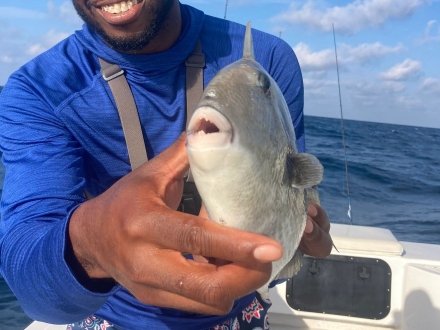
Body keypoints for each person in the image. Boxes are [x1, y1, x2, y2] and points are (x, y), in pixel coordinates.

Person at [0, 1, 333, 329]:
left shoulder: (268, 60)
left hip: (238, 313)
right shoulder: (40, 89)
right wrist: (92, 244)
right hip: (108, 318)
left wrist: (290, 243)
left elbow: (291, 182)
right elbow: (33, 288)